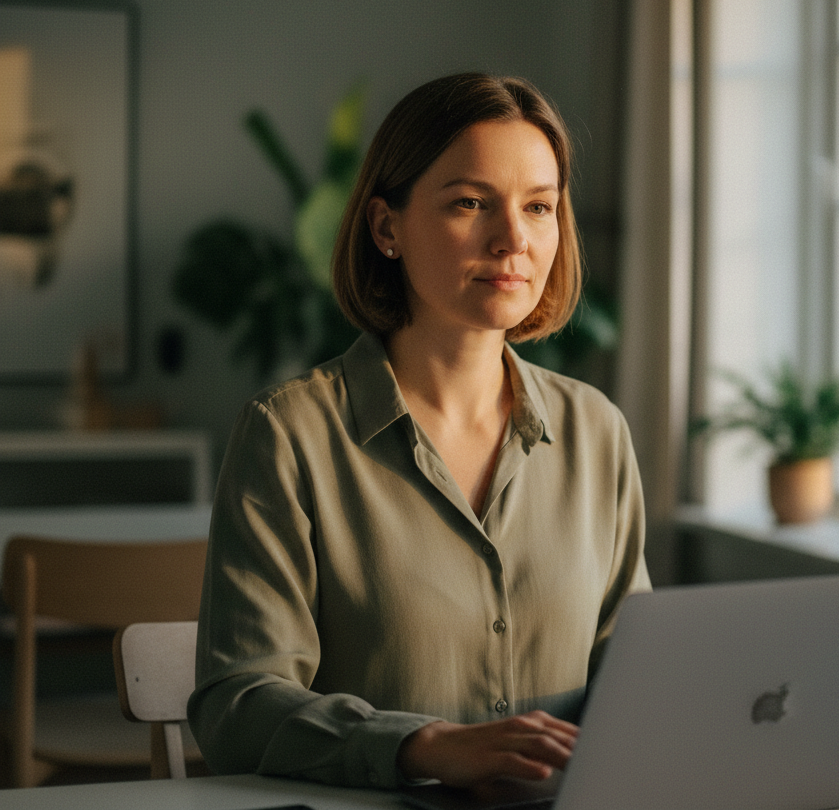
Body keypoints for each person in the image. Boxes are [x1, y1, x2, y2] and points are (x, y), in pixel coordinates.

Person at [187, 72, 651, 790]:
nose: (512, 239)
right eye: (470, 203)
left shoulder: (596, 431)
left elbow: (638, 678)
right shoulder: (290, 435)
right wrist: (421, 747)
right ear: (386, 227)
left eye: (539, 207)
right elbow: (238, 706)